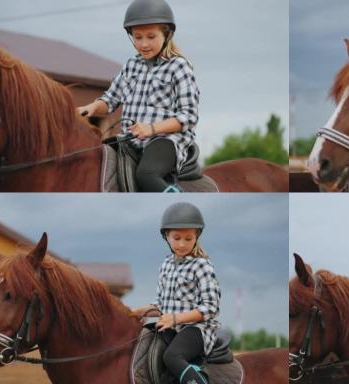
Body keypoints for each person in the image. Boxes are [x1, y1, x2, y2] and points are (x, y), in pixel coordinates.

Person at [77, 0, 200, 192]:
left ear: (167, 34)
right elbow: (110, 100)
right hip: (130, 139)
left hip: (166, 140)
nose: (143, 44)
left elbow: (189, 116)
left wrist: (151, 129)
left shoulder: (179, 67)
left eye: (151, 37)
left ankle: (176, 199)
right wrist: (91, 107)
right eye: (137, 37)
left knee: (146, 174)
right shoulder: (131, 65)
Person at [132, 202, 220, 384]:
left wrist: (176, 319)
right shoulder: (165, 265)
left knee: (171, 356)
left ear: (197, 237)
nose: (182, 244)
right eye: (177, 237)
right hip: (171, 327)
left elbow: (211, 308)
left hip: (197, 329)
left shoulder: (202, 266)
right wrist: (138, 312)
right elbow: (161, 305)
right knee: (145, 343)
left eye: (188, 239)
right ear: (166, 236)